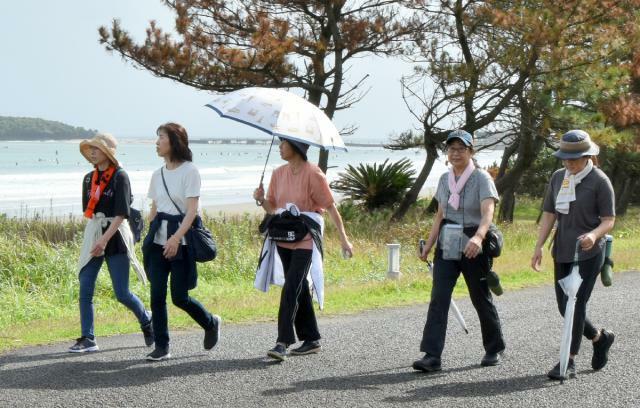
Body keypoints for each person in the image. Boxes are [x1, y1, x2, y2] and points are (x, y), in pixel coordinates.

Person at [413, 129, 506, 372]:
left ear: (470, 151)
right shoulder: (445, 180)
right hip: (448, 240)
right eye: (451, 149)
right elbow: (441, 214)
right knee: (439, 296)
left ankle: (494, 347)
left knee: (479, 296)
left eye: (461, 149)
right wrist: (429, 244)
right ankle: (432, 355)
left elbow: (488, 212)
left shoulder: (482, 178)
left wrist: (478, 237)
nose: (456, 153)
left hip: (475, 241)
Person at [253, 138, 353, 361]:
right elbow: (273, 208)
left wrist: (344, 239)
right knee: (297, 286)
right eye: (279, 143)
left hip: (306, 236)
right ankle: (312, 339)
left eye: (283, 144)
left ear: (296, 147)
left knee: (291, 286)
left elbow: (330, 207)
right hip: (283, 235)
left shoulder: (314, 174)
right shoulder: (278, 173)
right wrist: (261, 200)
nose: (280, 147)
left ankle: (282, 342)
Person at [531, 129, 615, 380]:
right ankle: (600, 338)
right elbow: (549, 214)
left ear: (588, 155)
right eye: (565, 158)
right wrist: (538, 247)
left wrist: (593, 234)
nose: (568, 162)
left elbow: (609, 220)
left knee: (575, 304)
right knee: (563, 306)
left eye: (574, 158)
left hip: (590, 253)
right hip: (563, 250)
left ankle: (568, 360)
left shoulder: (600, 181)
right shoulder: (558, 178)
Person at [143, 123, 221, 361]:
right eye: (157, 138)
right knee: (156, 295)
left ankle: (210, 322)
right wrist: (149, 233)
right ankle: (162, 346)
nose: (157, 142)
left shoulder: (190, 171)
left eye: (161, 137)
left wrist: (176, 239)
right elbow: (155, 208)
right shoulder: (157, 174)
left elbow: (191, 212)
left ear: (174, 141)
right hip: (158, 242)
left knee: (179, 297)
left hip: (182, 242)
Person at [70, 133, 152, 352]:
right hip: (95, 232)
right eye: (91, 149)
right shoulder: (88, 178)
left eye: (96, 149)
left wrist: (104, 241)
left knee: (122, 293)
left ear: (107, 152)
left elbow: (121, 213)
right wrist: (95, 239)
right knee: (86, 285)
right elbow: (90, 210)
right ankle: (88, 338)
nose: (93, 152)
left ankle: (146, 319)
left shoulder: (120, 176)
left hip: (116, 236)